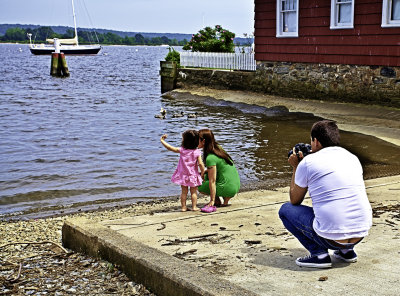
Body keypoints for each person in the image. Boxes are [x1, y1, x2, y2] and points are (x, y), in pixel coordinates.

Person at [279, 120, 372, 268]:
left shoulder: (308, 162)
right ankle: (346, 251)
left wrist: (296, 167)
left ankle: (319, 255)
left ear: (315, 141)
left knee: (285, 210)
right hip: (360, 233)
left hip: (331, 238)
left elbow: (294, 200)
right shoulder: (352, 157)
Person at [160, 130, 205, 212]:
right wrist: (202, 172)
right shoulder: (197, 152)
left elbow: (170, 148)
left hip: (183, 175)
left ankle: (183, 207)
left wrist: (162, 141)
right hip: (193, 175)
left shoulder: (182, 150)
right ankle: (194, 207)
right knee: (193, 192)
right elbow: (201, 164)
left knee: (184, 192)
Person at [197, 129, 240, 213]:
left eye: (197, 139)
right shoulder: (218, 149)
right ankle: (226, 199)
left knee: (198, 182)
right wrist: (205, 172)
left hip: (227, 188)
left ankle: (216, 200)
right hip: (235, 186)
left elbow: (212, 181)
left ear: (203, 141)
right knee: (207, 175)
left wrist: (211, 201)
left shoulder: (210, 158)